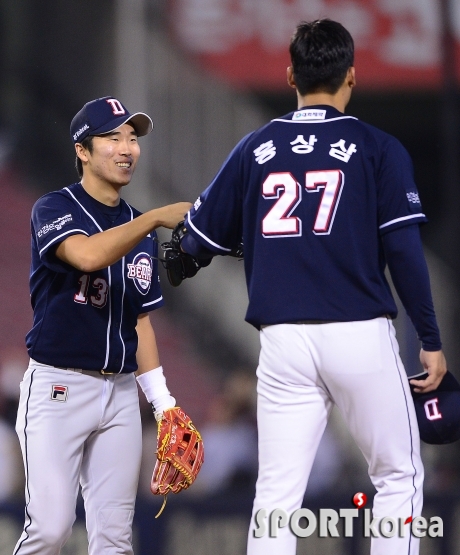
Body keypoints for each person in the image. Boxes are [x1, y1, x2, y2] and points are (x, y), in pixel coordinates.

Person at [178, 19, 447, 555]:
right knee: (397, 476)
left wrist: (224, 245)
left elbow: (193, 243)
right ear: (352, 76)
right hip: (358, 334)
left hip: (283, 345)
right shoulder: (377, 147)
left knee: (277, 496)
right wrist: (431, 338)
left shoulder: (256, 148)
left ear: (289, 75)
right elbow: (403, 253)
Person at [13, 96, 192, 555]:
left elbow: (142, 322)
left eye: (132, 138)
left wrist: (164, 404)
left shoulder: (137, 227)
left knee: (114, 540)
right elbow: (88, 255)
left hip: (120, 395)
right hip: (59, 388)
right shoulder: (54, 207)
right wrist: (155, 217)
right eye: (113, 137)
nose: (127, 147)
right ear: (83, 151)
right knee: (49, 531)